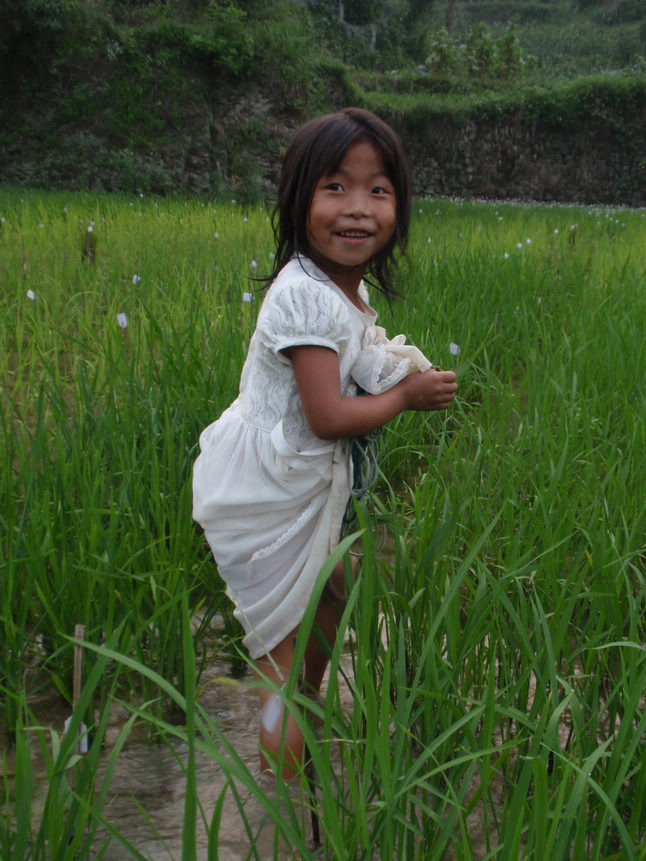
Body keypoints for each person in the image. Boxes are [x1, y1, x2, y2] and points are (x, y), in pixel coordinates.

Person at [192, 107, 457, 780]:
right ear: (298, 197)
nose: (358, 209)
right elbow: (326, 415)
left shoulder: (343, 288)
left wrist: (396, 368)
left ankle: (306, 703)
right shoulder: (303, 298)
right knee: (279, 655)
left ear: (399, 203)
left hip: (307, 481)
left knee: (335, 588)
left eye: (378, 190)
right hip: (272, 488)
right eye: (335, 187)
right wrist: (405, 396)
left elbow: (357, 356)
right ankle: (284, 808)